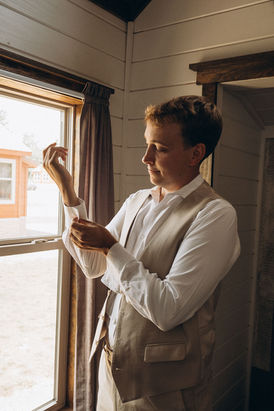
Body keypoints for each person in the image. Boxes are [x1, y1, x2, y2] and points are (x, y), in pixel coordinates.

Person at [43, 95, 240, 410]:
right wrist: (69, 193)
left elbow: (168, 310)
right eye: (148, 145)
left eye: (159, 149)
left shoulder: (215, 214)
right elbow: (94, 265)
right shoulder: (137, 201)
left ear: (196, 153)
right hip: (113, 366)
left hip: (166, 389)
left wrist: (111, 246)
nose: (146, 158)